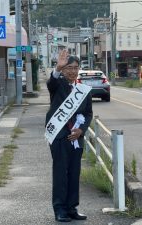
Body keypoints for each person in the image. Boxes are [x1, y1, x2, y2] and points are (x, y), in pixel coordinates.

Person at [45, 49, 93, 222]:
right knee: (60, 173)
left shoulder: (83, 90)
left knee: (74, 173)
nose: (72, 71)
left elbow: (88, 113)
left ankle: (72, 207)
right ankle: (60, 209)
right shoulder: (58, 85)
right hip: (59, 136)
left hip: (76, 138)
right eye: (69, 68)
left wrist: (82, 130)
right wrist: (57, 69)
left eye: (75, 67)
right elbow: (51, 83)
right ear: (64, 70)